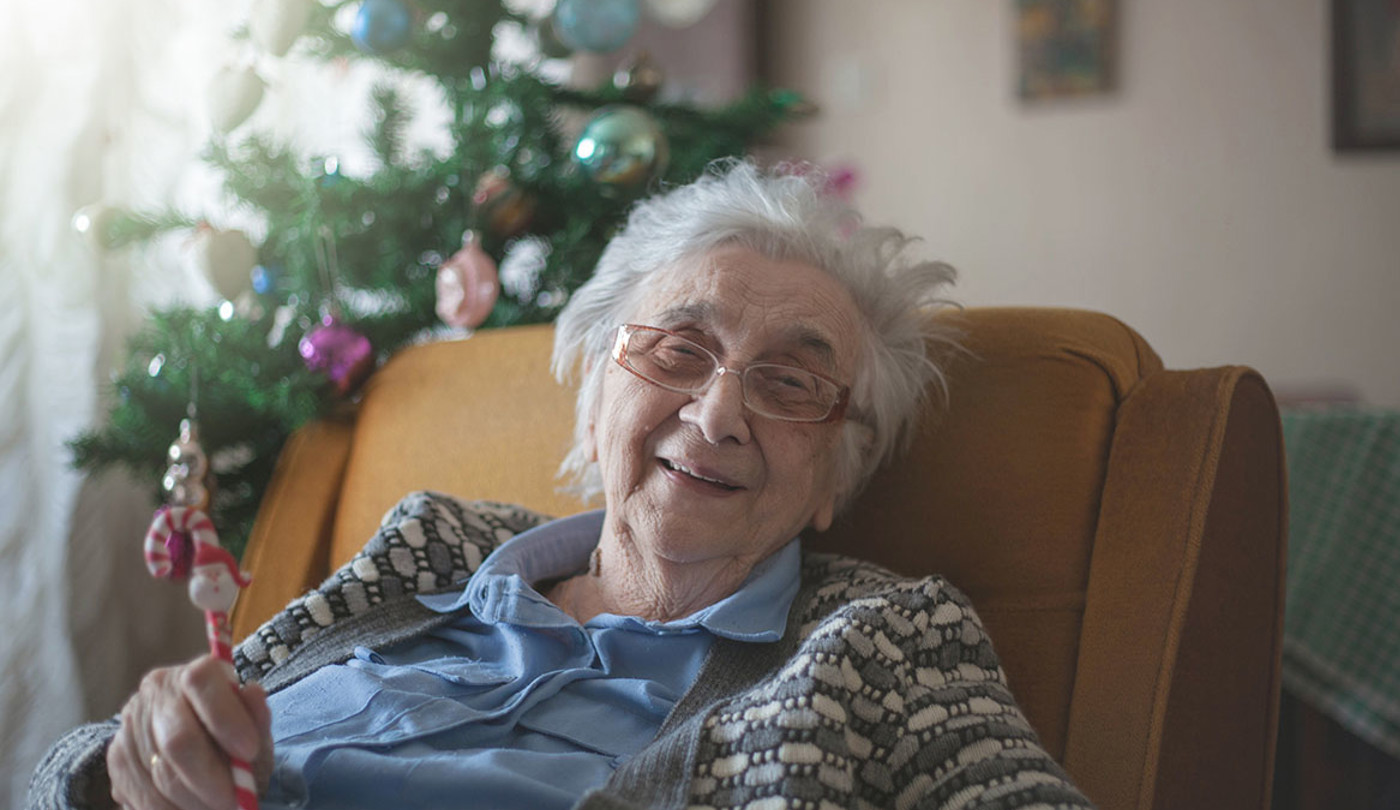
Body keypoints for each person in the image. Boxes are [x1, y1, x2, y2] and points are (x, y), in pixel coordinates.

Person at [29, 161, 1094, 810]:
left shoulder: (881, 643)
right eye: (679, 350)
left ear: (835, 479)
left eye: (790, 382)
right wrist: (126, 768)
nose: (719, 413)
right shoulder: (430, 550)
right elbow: (74, 769)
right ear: (592, 401)